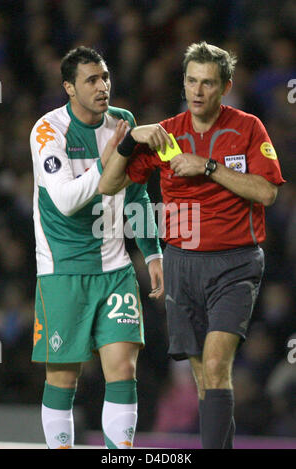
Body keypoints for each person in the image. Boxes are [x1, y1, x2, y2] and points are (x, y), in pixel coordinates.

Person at [98, 41, 286, 449]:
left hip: (236, 264)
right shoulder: (167, 134)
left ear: (226, 87)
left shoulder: (248, 128)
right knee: (205, 380)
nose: (198, 91)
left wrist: (209, 167)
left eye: (208, 83)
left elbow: (267, 193)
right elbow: (108, 185)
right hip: (182, 263)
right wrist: (131, 140)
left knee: (218, 365)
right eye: (191, 81)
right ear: (183, 83)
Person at [30, 46, 166, 449]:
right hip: (62, 270)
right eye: (91, 79)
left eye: (105, 77)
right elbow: (67, 201)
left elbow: (137, 194)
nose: (102, 86)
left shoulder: (123, 122)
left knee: (123, 369)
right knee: (63, 378)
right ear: (69, 87)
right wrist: (115, 156)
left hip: (115, 268)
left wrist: (152, 250)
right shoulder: (47, 131)